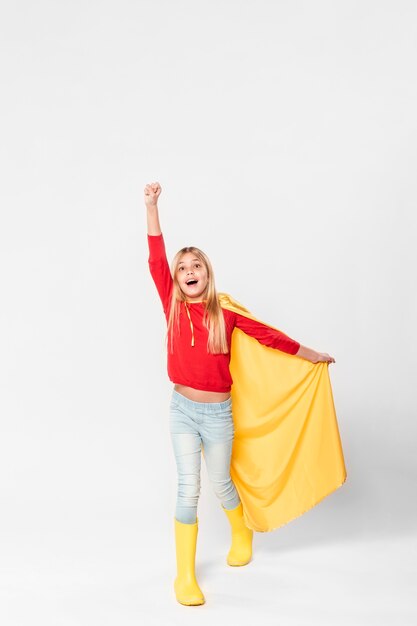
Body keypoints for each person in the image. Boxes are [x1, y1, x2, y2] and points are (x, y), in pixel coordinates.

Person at [144, 181, 336, 606]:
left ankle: (240, 529)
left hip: (217, 416)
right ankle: (185, 578)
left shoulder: (226, 314)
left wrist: (312, 355)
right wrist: (152, 208)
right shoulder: (172, 306)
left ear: (208, 274)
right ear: (176, 279)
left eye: (197, 266)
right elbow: (156, 257)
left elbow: (271, 337)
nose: (189, 271)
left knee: (221, 482)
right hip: (181, 410)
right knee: (188, 487)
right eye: (183, 267)